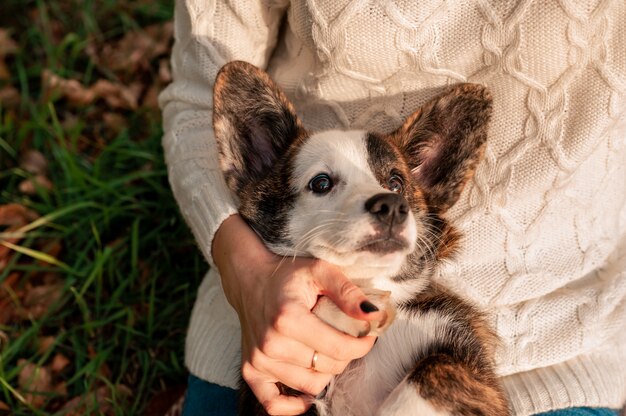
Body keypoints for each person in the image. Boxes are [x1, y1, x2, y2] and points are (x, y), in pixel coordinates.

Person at [158, 1, 626, 415]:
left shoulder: (438, 339)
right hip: (265, 326)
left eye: (396, 185)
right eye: (322, 183)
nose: (387, 202)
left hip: (557, 349)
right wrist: (251, 277)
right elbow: (200, 95)